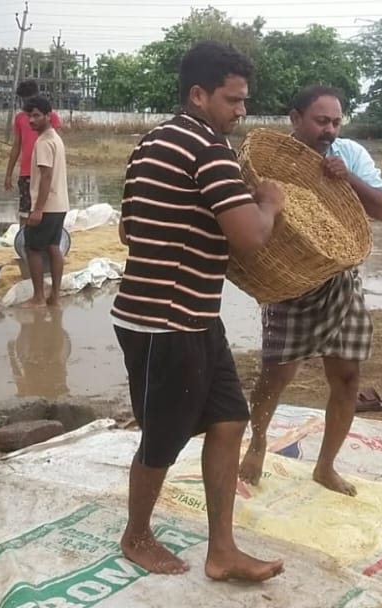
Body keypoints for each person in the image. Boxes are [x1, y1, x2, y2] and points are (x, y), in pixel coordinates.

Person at [113, 40, 286, 582]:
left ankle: (223, 550)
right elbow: (251, 237)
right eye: (233, 100)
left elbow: (126, 228)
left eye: (243, 101)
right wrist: (271, 203)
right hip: (163, 320)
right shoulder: (209, 150)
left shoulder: (150, 144)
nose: (241, 111)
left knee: (230, 419)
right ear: (198, 94)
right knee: (162, 438)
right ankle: (136, 535)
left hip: (191, 316)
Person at [238, 85, 382, 497]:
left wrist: (349, 179)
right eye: (321, 121)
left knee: (347, 376)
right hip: (289, 282)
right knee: (276, 374)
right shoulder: (272, 161)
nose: (329, 130)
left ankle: (325, 467)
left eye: (336, 122)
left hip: (339, 279)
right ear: (295, 119)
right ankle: (256, 444)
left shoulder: (350, 155)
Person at [18, 96, 69, 308]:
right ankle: (55, 297)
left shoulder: (45, 143)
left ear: (49, 116)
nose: (32, 120)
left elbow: (46, 177)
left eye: (37, 115)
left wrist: (37, 209)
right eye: (30, 116)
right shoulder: (55, 138)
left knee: (32, 249)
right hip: (60, 205)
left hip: (47, 207)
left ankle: (38, 297)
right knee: (53, 247)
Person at [5, 79, 63, 222]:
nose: (26, 104)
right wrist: (9, 174)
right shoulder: (19, 118)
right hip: (26, 173)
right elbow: (16, 146)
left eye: (28, 99)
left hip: (45, 171)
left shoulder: (50, 117)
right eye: (24, 100)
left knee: (46, 209)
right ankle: (24, 241)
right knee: (25, 213)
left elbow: (55, 144)